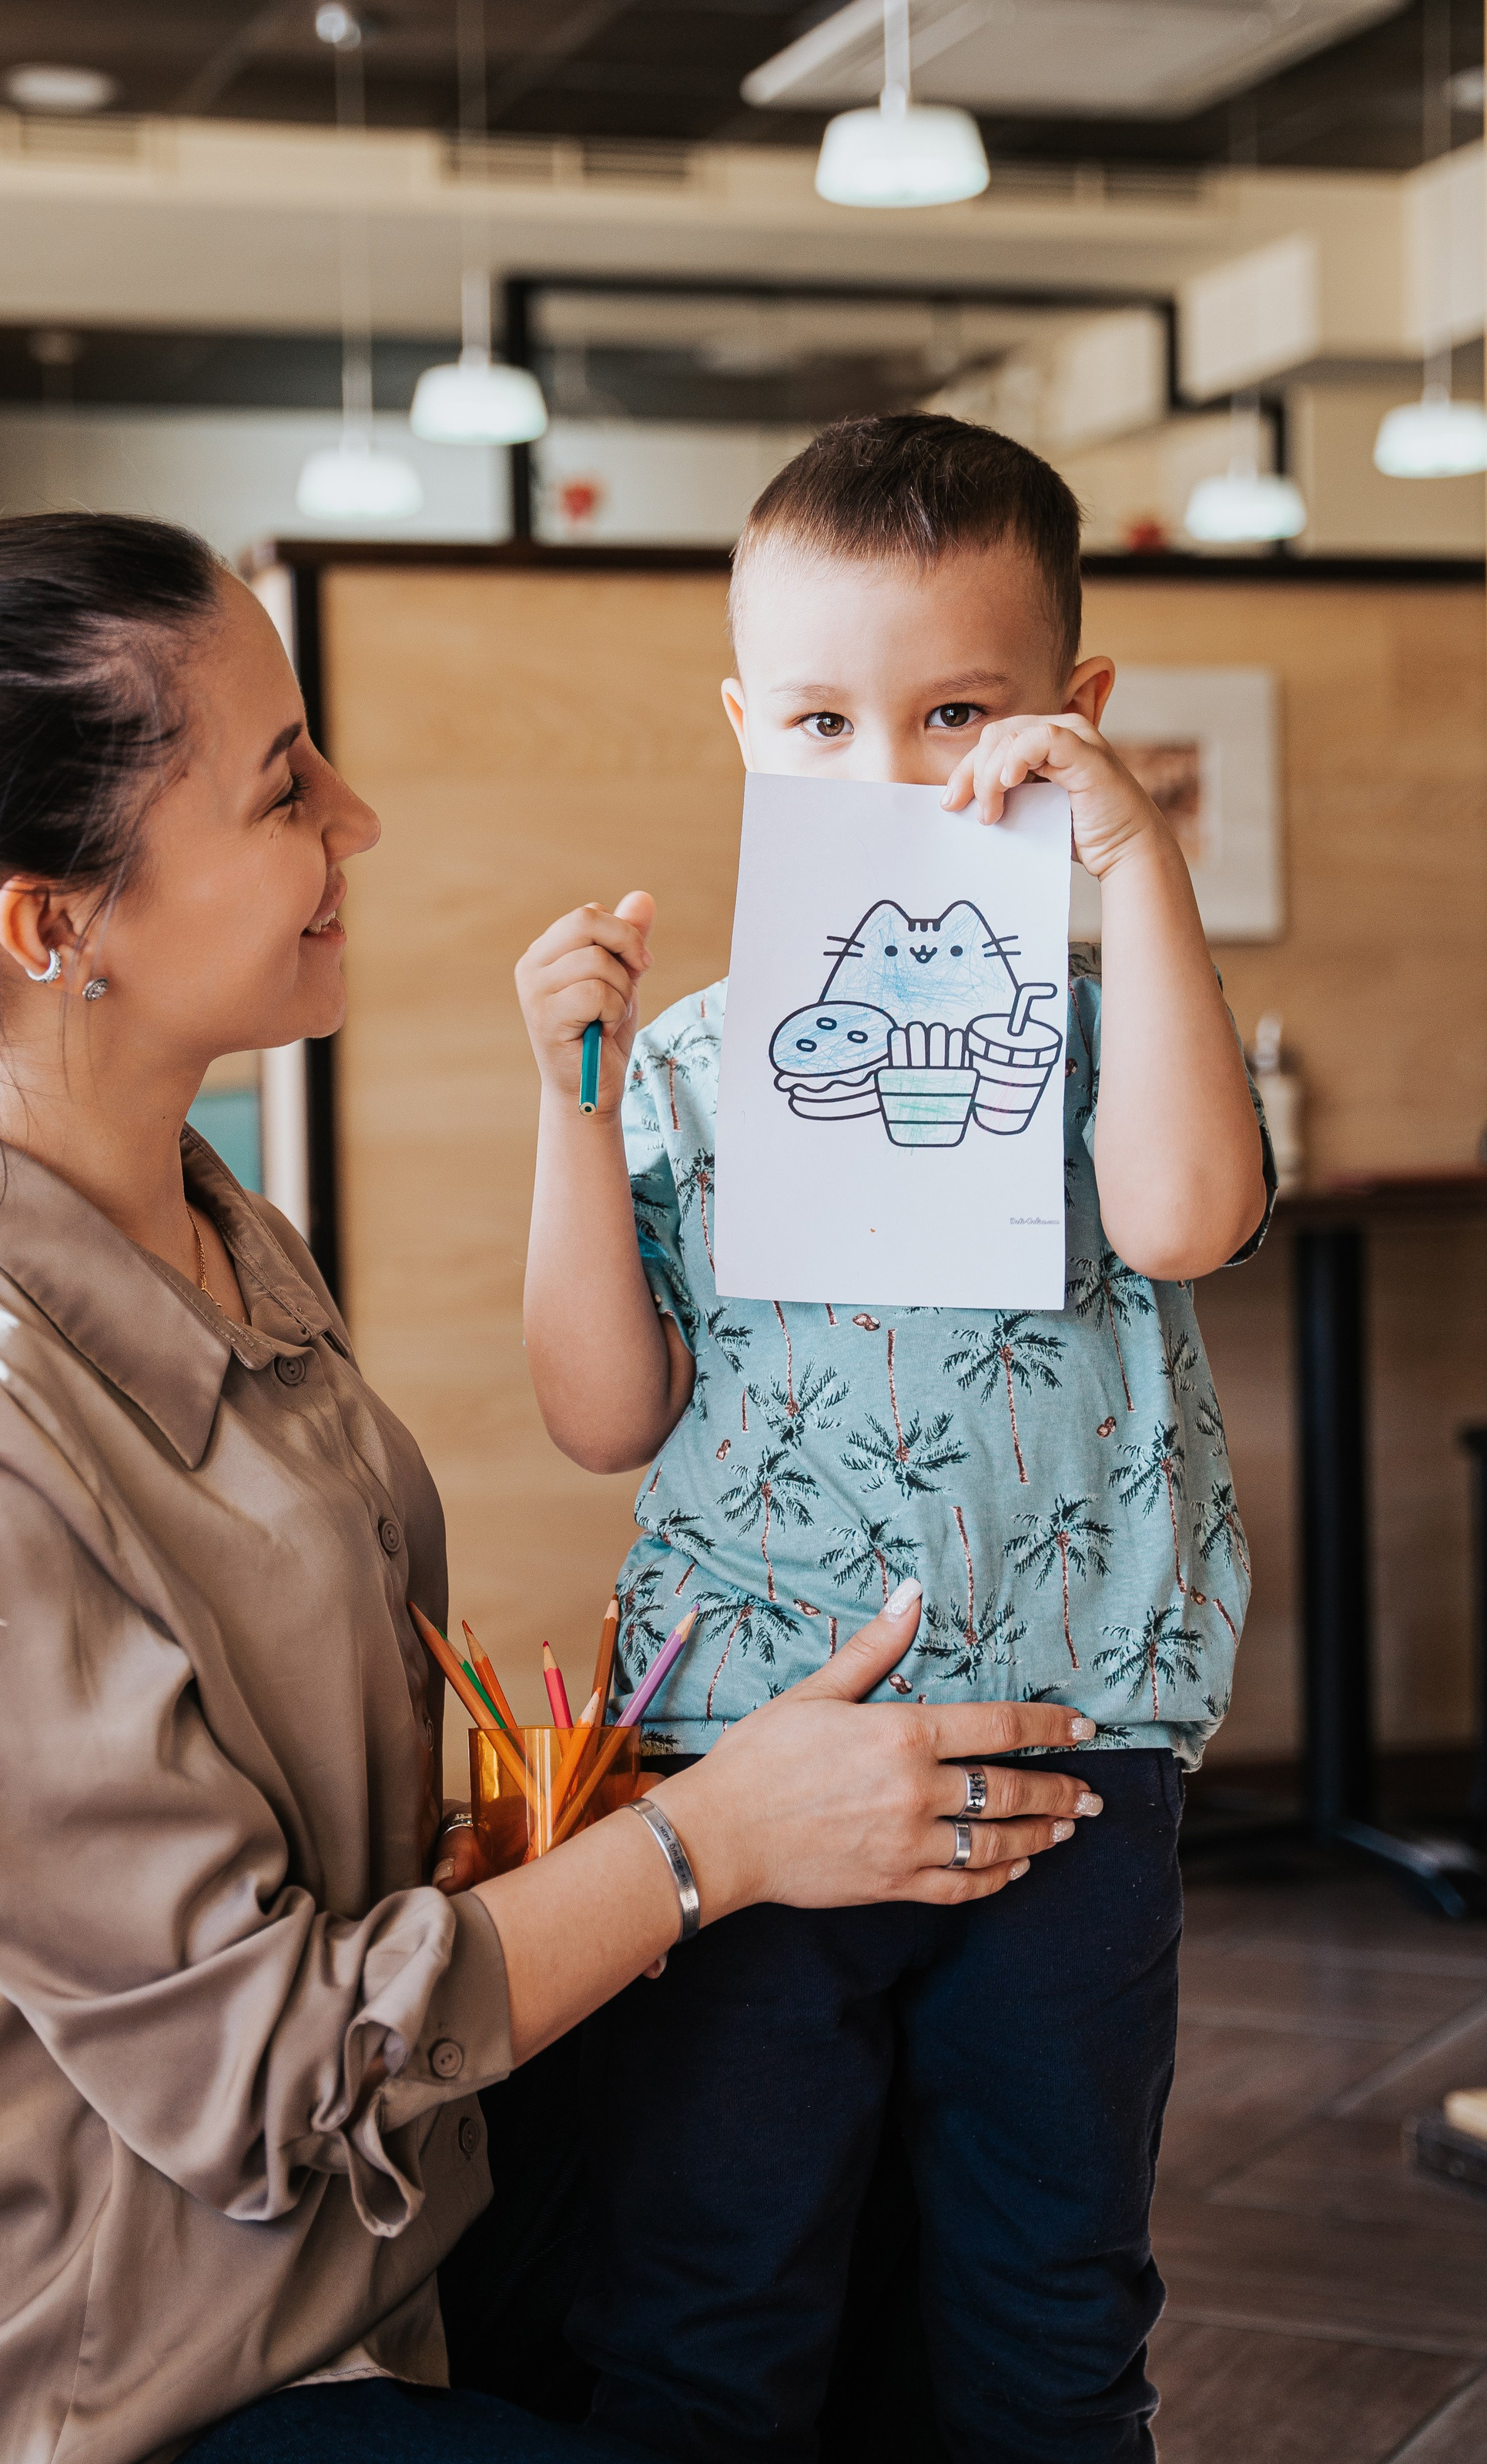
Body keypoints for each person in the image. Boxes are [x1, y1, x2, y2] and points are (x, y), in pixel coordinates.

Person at [0, 514, 1100, 2464]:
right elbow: (259, 2078)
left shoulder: (207, 1224)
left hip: (357, 2281)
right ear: (53, 924)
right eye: (283, 788)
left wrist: (520, 1844)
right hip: (106, 2400)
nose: (355, 819)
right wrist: (710, 1844)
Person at [514, 414, 1274, 2464]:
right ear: (751, 730)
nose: (890, 770)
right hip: (748, 1761)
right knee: (713, 2280)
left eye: (958, 713)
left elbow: (1192, 1216)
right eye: (827, 722)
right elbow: (602, 1413)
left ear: (1073, 716)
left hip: (1069, 1750)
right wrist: (575, 1105)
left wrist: (1140, 863)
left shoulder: (1122, 1031)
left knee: (1048, 2300)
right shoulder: (685, 1061)